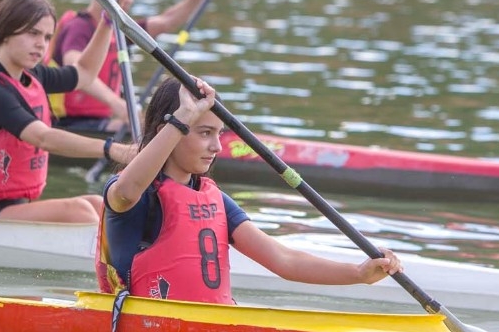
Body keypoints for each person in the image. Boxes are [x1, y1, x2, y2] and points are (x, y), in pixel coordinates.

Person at [97, 77, 403, 305]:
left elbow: (284, 260)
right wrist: (182, 119)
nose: (216, 147)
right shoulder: (132, 195)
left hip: (206, 329)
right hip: (144, 330)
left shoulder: (216, 201)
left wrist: (358, 274)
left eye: (218, 134)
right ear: (172, 128)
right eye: (205, 133)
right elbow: (126, 192)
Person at [0, 0, 138, 224]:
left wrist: (107, 20)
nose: (41, 44)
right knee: (80, 212)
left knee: (99, 204)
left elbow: (85, 73)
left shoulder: (33, 76)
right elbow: (43, 137)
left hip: (13, 208)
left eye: (46, 37)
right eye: (32, 33)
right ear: (5, 32)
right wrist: (113, 149)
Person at [48, 0, 228, 132]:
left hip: (103, 121)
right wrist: (117, 104)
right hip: (68, 123)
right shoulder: (78, 28)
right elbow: (76, 69)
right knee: (144, 129)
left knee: (154, 124)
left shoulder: (120, 30)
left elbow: (167, 21)